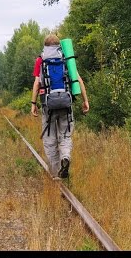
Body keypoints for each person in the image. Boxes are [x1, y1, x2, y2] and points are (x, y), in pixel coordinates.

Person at [30, 34, 89, 179]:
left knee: (50, 139)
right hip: (65, 103)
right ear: (59, 45)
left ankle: (56, 172)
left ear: (45, 45)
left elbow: (37, 83)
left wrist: (33, 103)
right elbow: (78, 80)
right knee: (65, 135)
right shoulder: (66, 58)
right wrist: (85, 100)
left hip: (48, 105)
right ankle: (66, 157)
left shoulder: (41, 59)